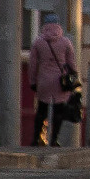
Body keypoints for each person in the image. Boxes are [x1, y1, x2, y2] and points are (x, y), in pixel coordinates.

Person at [27, 12, 76, 148]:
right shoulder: (65, 42)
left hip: (43, 81)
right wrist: (74, 77)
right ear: (58, 25)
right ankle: (54, 139)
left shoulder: (38, 42)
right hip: (60, 82)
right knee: (58, 111)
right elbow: (72, 63)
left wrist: (32, 81)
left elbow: (32, 65)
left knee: (42, 110)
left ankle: (36, 138)